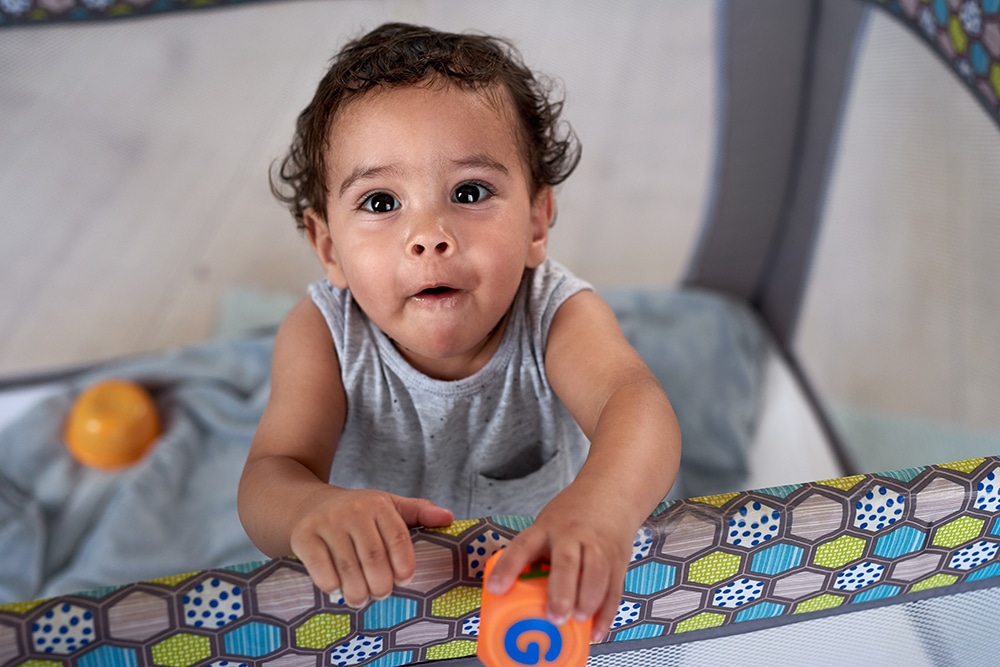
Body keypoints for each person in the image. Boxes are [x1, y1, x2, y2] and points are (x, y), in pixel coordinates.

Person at [237, 22, 681, 641]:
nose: (429, 235)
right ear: (328, 245)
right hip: (391, 601)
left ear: (535, 221)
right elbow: (269, 476)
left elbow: (637, 404)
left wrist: (601, 510)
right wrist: (311, 509)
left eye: (469, 192)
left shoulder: (556, 313)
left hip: (539, 588)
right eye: (381, 202)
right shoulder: (324, 333)